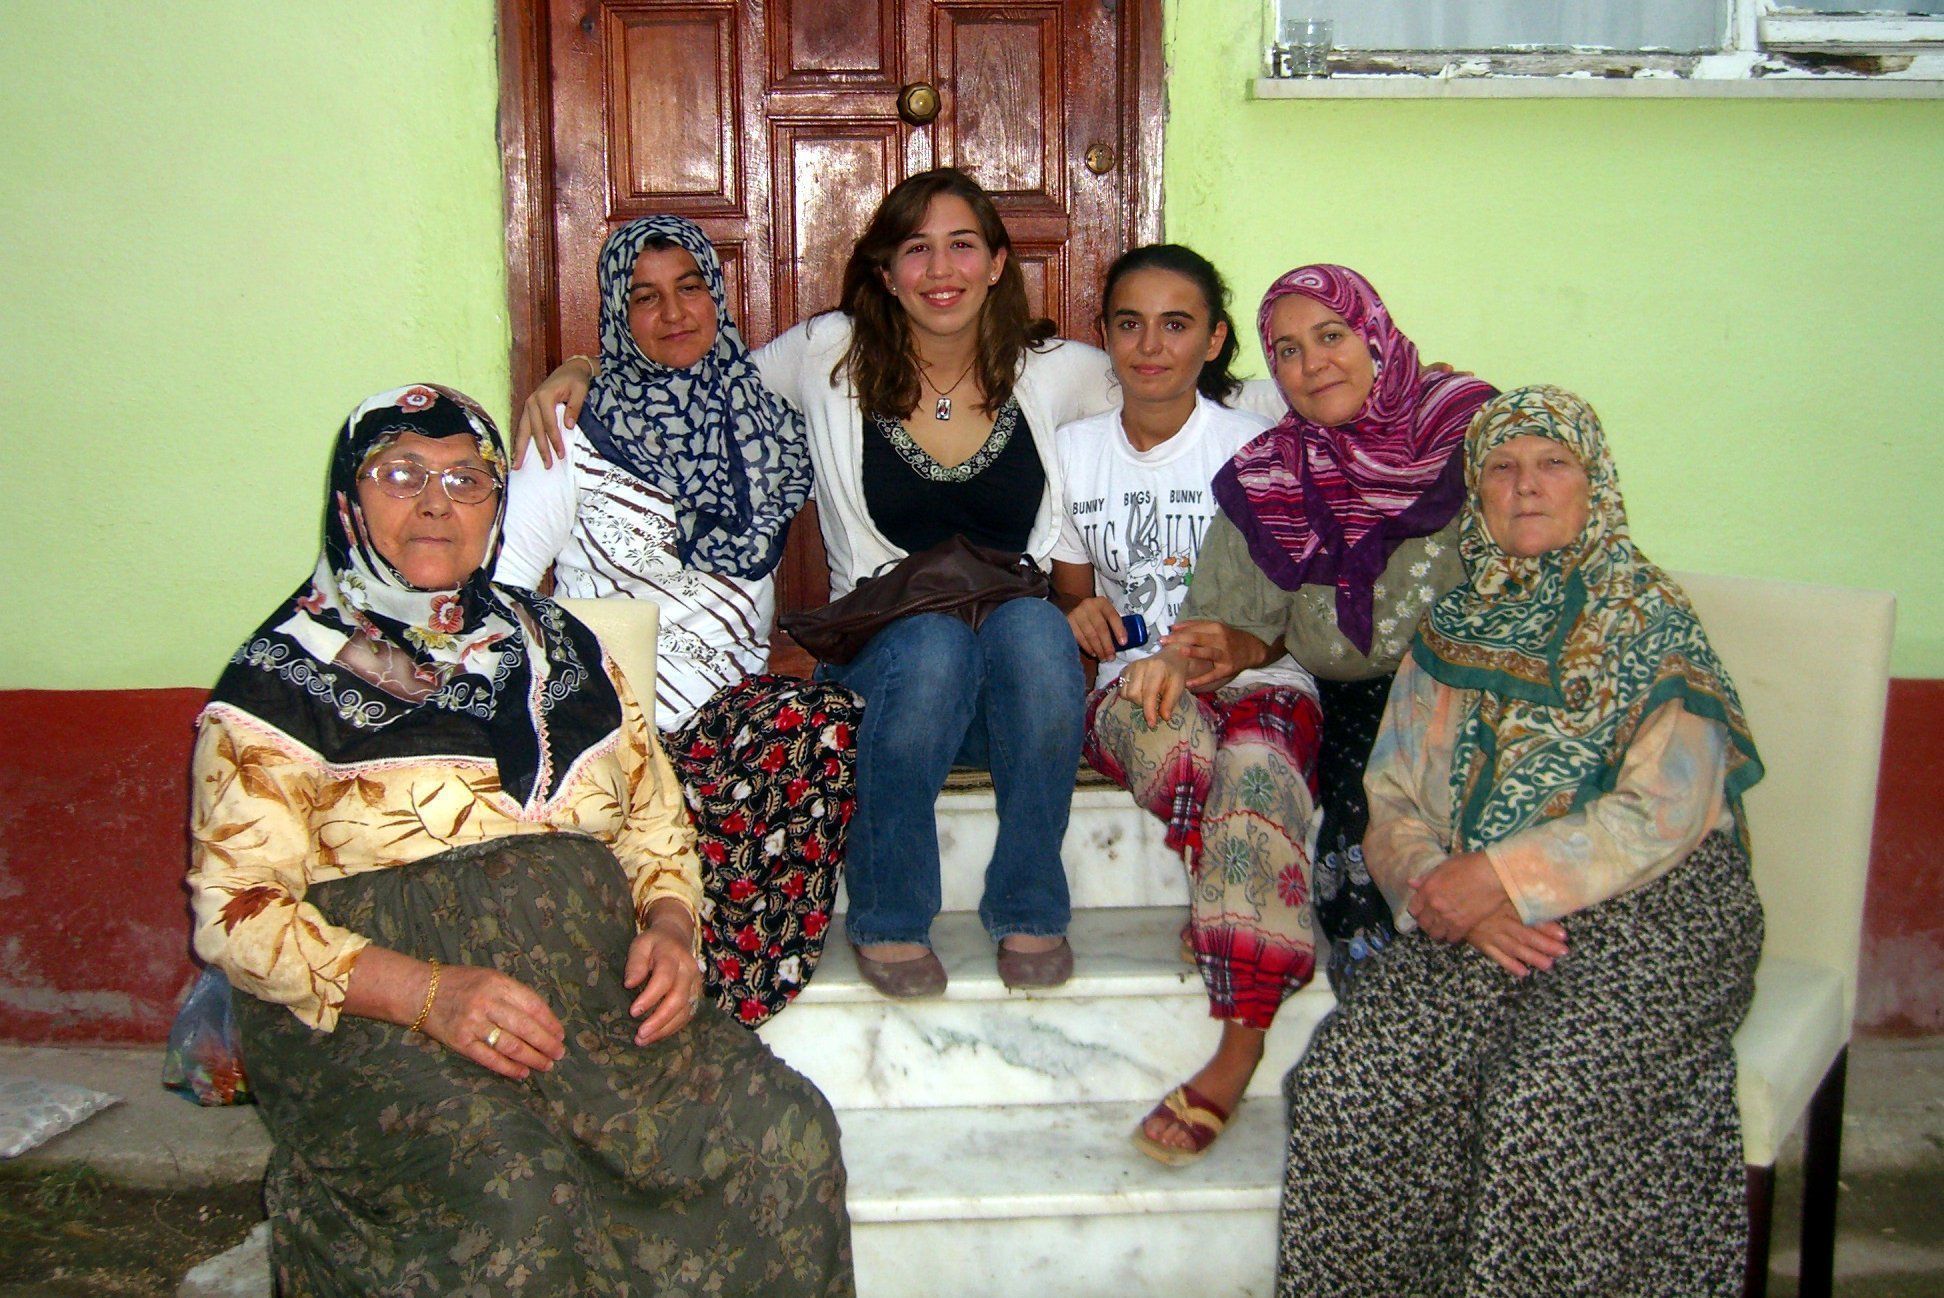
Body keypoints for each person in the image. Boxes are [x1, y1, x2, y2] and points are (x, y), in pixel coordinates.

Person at [189, 385, 853, 1295]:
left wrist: (667, 925)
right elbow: (237, 913)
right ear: (350, 497)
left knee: (783, 1131)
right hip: (373, 1015)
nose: (435, 503)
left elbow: (655, 821)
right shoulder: (282, 678)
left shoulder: (569, 649)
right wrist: (430, 995)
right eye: (400, 474)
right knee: (515, 1198)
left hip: (584, 1004)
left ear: (498, 504)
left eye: (467, 479)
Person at [521, 169, 1117, 999]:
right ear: (883, 270)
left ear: (997, 264)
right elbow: (703, 365)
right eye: (916, 249)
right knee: (936, 645)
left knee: (1038, 632)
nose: (939, 270)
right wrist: (580, 364)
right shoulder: (828, 353)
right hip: (889, 673)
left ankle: (1028, 902)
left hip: (1009, 696)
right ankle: (890, 914)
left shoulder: (1054, 371)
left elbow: (1170, 385)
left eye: (961, 246)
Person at [1277, 385, 1765, 1295]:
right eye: (1501, 467)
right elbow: (1390, 795)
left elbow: (1666, 810)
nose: (1526, 487)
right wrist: (1442, 887)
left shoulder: (1646, 616)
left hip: (1659, 907)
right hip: (1469, 903)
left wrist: (1503, 876)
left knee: (1548, 1103)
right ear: (1477, 490)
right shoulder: (1453, 625)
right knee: (1354, 1080)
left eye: (1553, 464)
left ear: (1596, 484)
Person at [1104, 264, 1497, 1161]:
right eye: (1287, 349)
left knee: (1463, 824)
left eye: (1331, 335)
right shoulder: (1273, 475)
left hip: (1478, 691)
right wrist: (1187, 658)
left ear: (1376, 334)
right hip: (1356, 703)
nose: (1313, 363)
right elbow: (1239, 626)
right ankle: (1395, 1074)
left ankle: (1482, 1068)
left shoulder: (1470, 431)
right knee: (1356, 839)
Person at [498, 214, 862, 1027]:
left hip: (721, 718)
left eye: (690, 287)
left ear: (718, 294)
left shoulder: (767, 419)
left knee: (819, 720)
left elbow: (857, 337)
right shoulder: (574, 429)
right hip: (608, 718)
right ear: (616, 317)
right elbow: (511, 587)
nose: (673, 314)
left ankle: (731, 996)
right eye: (644, 298)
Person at [1045, 244, 1321, 1166]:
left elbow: (1293, 619)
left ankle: (1236, 1053)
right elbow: (1073, 589)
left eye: (1176, 324)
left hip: (1261, 682)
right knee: (1210, 775)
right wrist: (1081, 614)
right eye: (1129, 323)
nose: (1150, 345)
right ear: (1107, 338)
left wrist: (1239, 647)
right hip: (1136, 690)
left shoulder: (1255, 452)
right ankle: (1242, 894)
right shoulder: (1074, 453)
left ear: (1213, 340)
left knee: (1255, 768)